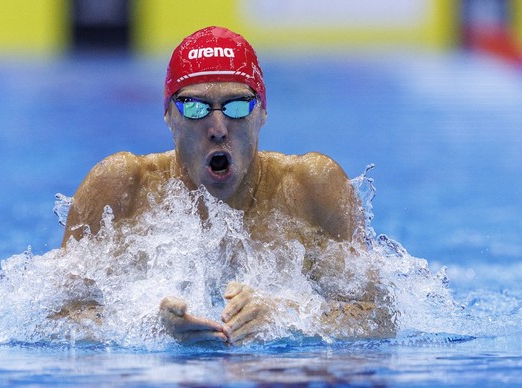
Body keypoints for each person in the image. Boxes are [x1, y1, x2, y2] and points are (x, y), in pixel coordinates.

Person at [60, 26, 395, 344]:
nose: (218, 127)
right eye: (194, 107)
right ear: (168, 115)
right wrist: (147, 327)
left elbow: (380, 318)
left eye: (237, 106)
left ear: (262, 112)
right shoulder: (120, 189)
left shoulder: (311, 188)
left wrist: (286, 317)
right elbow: (54, 319)